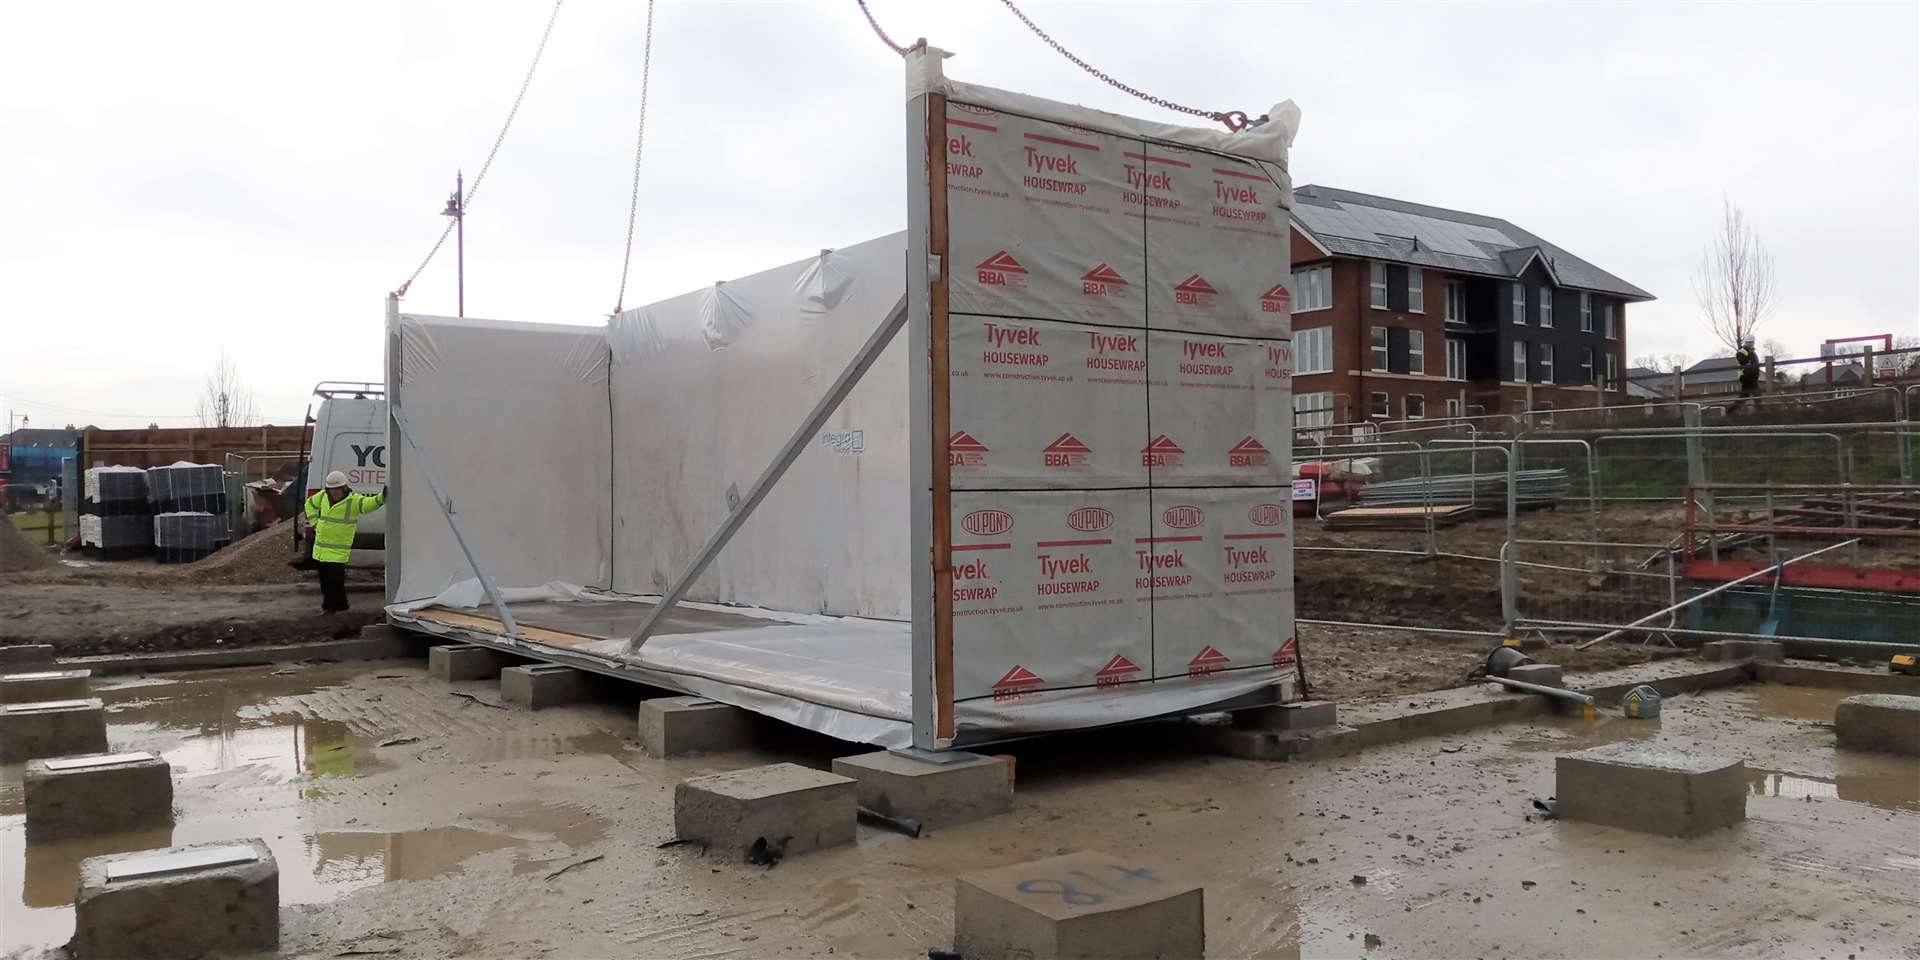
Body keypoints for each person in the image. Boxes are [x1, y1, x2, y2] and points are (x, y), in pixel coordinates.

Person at [304, 471, 386, 614]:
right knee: (325, 582)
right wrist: (314, 522)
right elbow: (309, 504)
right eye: (332, 489)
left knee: (335, 581)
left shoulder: (353, 501)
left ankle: (335, 608)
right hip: (321, 549)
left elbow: (369, 504)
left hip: (337, 551)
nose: (334, 493)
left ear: (344, 488)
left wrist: (381, 498)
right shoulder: (323, 496)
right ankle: (335, 607)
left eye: (337, 489)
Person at [1734, 339, 1761, 411]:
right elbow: (1742, 361)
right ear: (1746, 343)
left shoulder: (1751, 351)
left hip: (1751, 375)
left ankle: (1731, 411)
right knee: (1757, 393)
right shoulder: (1743, 351)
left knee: (1745, 395)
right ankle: (1761, 411)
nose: (1751, 344)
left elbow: (1754, 364)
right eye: (1749, 342)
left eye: (1752, 342)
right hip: (1746, 375)